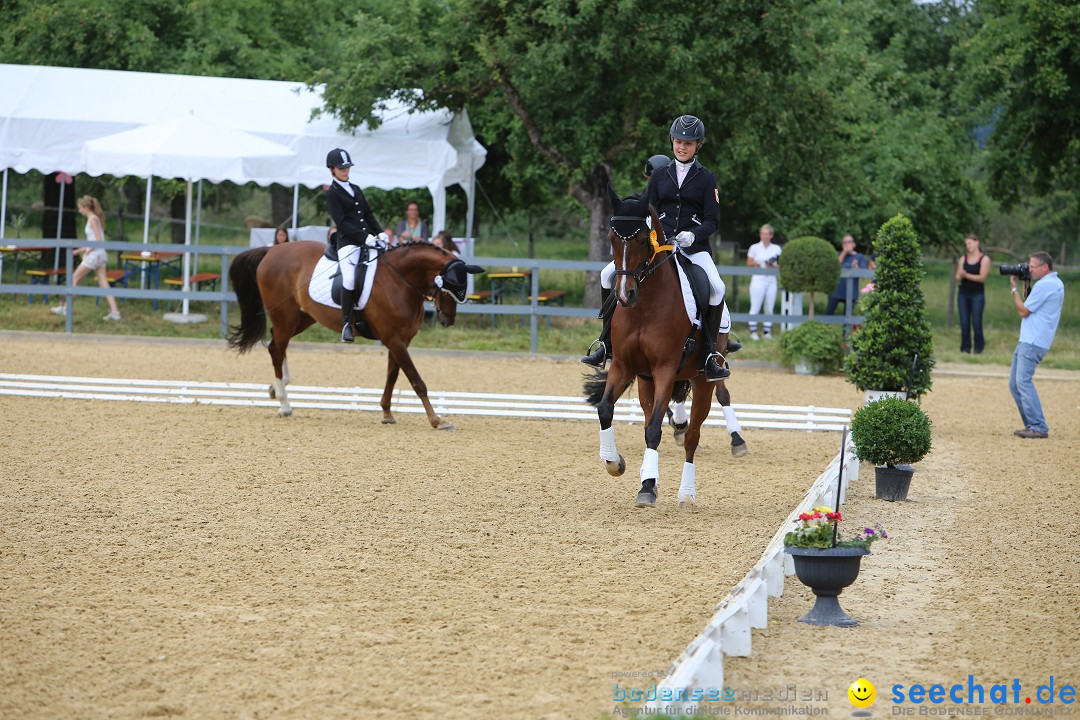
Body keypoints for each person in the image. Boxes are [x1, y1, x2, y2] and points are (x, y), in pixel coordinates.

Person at [325, 148, 389, 343]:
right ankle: (346, 323)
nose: (345, 171)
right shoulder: (332, 193)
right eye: (341, 168)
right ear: (332, 170)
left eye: (347, 167)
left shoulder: (356, 189)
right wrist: (364, 237)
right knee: (350, 279)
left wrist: (379, 232)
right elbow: (342, 222)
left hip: (368, 240)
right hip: (347, 243)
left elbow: (367, 215)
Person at [1008, 251, 1064, 439]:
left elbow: (1023, 310)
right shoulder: (1055, 283)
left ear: (1045, 267)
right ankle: (1031, 425)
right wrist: (1026, 284)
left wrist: (1014, 289)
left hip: (1032, 341)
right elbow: (1031, 304)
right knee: (1014, 384)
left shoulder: (1045, 284)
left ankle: (1038, 426)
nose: (1029, 269)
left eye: (1032, 266)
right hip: (1031, 340)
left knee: (1022, 382)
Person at [50, 195, 121, 321]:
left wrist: (88, 250)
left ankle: (65, 308)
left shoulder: (93, 219)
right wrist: (81, 250)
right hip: (100, 254)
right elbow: (93, 240)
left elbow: (98, 239)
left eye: (80, 208)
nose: (79, 211)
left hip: (95, 255)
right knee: (103, 283)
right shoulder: (94, 219)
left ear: (86, 207)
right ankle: (115, 312)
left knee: (74, 278)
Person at [954, 234, 990, 353]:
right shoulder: (963, 259)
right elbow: (958, 276)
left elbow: (982, 277)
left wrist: (966, 275)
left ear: (977, 242)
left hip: (977, 295)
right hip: (963, 294)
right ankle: (965, 348)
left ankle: (979, 348)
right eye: (966, 244)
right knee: (964, 323)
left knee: (976, 322)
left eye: (970, 243)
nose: (967, 246)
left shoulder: (984, 259)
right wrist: (960, 275)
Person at [745, 224, 781, 340]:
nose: (764, 236)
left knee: (769, 307)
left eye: (767, 234)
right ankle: (753, 331)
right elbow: (749, 263)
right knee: (755, 306)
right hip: (758, 279)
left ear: (771, 235)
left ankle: (767, 332)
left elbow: (780, 264)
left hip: (771, 280)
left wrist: (772, 265)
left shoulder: (776, 248)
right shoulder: (754, 247)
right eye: (763, 234)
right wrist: (761, 263)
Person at [825, 234, 867, 315]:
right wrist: (844, 252)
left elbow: (863, 273)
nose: (847, 244)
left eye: (849, 241)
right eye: (844, 242)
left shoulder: (860, 257)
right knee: (828, 313)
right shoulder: (839, 255)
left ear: (854, 244)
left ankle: (846, 328)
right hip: (836, 291)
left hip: (851, 292)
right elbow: (834, 266)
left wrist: (855, 267)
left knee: (848, 317)